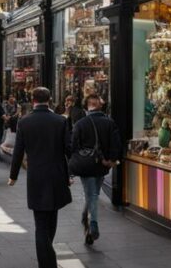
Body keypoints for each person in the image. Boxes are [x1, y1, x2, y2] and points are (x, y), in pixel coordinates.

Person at [8, 87, 72, 268]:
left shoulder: (25, 122)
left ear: (32, 100)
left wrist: (13, 176)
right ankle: (48, 261)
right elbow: (69, 149)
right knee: (52, 219)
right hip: (56, 176)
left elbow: (18, 152)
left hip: (36, 178)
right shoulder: (60, 121)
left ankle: (46, 261)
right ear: (49, 100)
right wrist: (70, 174)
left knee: (41, 224)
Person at [71, 94, 122, 246]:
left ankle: (91, 222)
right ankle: (90, 221)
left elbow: (73, 146)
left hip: (86, 164)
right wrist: (112, 160)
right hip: (102, 164)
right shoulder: (109, 122)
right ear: (99, 106)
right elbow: (116, 144)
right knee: (94, 193)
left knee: (91, 193)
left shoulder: (80, 123)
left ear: (87, 106)